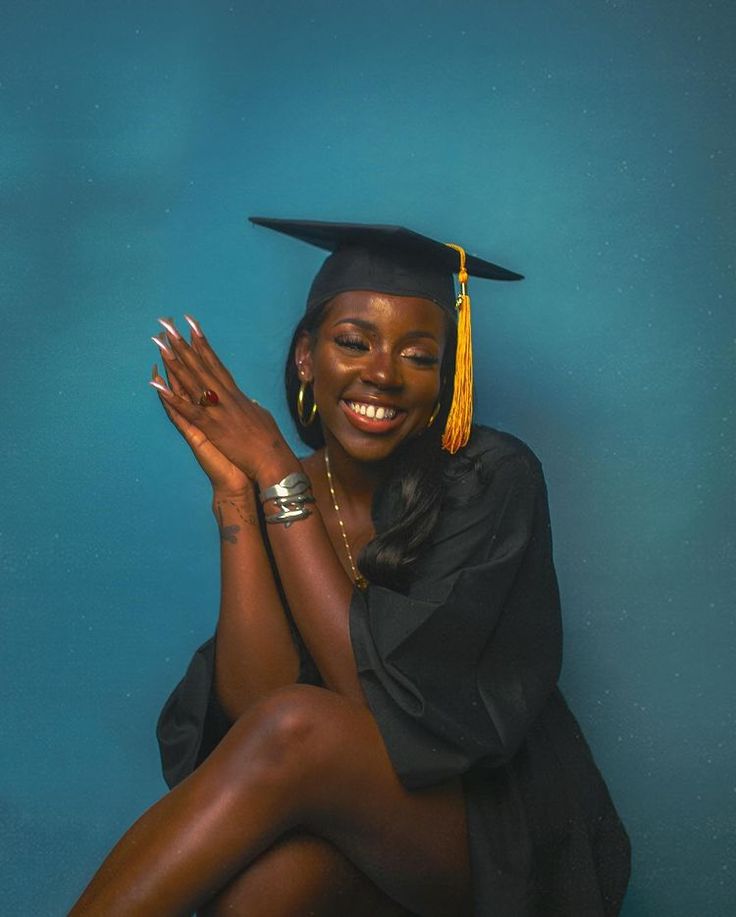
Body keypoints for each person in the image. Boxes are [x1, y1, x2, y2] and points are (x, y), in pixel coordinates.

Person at [69, 218, 631, 916]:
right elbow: (256, 704)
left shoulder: (491, 478)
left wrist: (275, 470)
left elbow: (386, 716)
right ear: (307, 356)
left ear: (447, 376)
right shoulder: (289, 492)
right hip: (364, 826)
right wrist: (238, 499)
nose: (383, 374)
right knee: (264, 889)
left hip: (497, 840)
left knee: (298, 726)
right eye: (353, 342)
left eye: (420, 356)